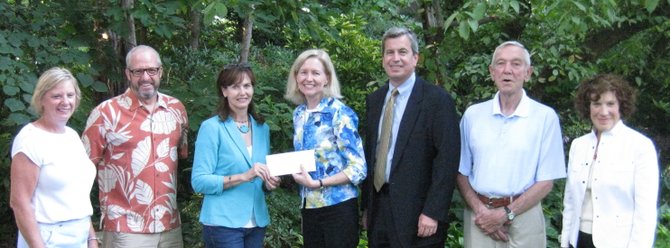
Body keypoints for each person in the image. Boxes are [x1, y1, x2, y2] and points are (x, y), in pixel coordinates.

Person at [456, 41, 566, 248]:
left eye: (516, 64)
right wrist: (482, 212)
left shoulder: (544, 117)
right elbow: (460, 171)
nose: (507, 70)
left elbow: (546, 181)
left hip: (525, 216)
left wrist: (506, 213)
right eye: (500, 63)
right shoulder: (473, 115)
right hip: (479, 216)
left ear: (528, 72)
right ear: (492, 71)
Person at [361, 27, 461, 248]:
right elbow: (371, 155)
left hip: (419, 215)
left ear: (415, 58)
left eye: (402, 52)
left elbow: (447, 160)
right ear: (383, 58)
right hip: (379, 210)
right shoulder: (375, 100)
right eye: (389, 52)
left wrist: (433, 212)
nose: (395, 58)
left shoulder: (437, 101)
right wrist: (367, 207)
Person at [82, 45, 189, 247]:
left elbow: (181, 156)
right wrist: (87, 229)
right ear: (127, 74)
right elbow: (80, 173)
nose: (145, 77)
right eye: (138, 71)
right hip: (125, 228)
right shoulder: (105, 113)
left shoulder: (177, 109)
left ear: (161, 72)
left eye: (151, 70)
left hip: (170, 225)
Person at [560, 74, 659, 248]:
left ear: (621, 105)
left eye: (610, 104)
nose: (603, 112)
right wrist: (565, 241)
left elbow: (645, 213)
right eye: (596, 104)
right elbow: (570, 201)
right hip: (578, 241)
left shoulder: (640, 147)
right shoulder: (579, 145)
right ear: (588, 107)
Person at [284, 49, 367, 248]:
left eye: (316, 73)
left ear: (327, 79)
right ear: (295, 77)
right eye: (303, 72)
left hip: (337, 209)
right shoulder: (299, 114)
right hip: (309, 207)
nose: (308, 78)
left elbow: (358, 168)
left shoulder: (340, 114)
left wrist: (319, 182)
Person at [191, 64, 280, 248]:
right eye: (235, 86)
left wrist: (269, 183)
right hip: (222, 224)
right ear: (224, 91)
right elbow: (199, 181)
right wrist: (243, 176)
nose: (242, 92)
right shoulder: (211, 128)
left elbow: (260, 177)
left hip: (256, 223)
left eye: (247, 86)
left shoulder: (262, 128)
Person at [10, 67, 98, 248]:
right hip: (47, 238)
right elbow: (19, 203)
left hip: (79, 235)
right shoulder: (30, 139)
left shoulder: (72, 136)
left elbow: (77, 195)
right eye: (57, 96)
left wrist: (91, 239)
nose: (65, 102)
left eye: (70, 95)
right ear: (41, 99)